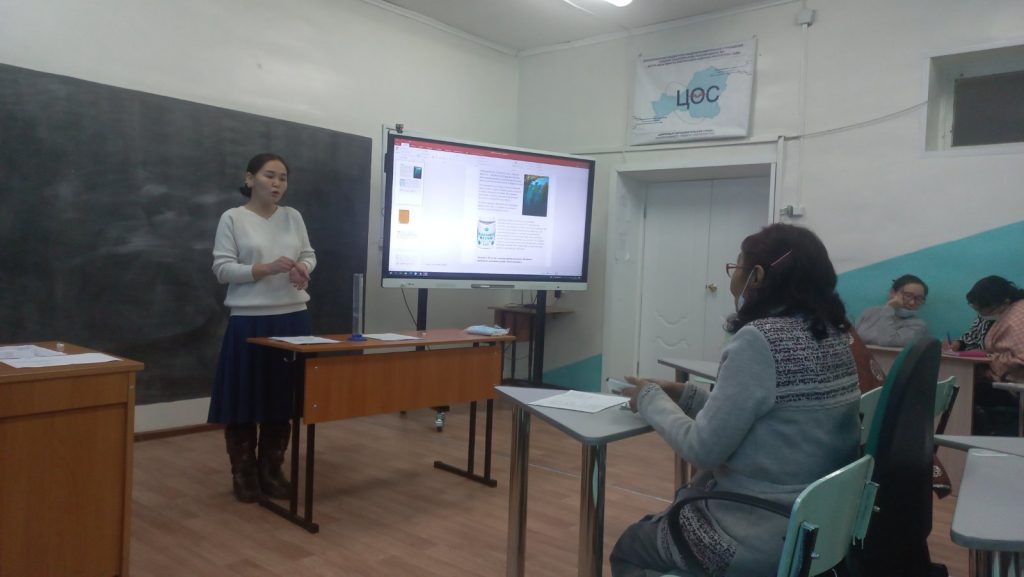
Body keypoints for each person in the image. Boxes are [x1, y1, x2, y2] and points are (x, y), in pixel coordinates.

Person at [610, 224, 860, 577]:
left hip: (753, 532)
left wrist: (649, 398)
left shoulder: (760, 340)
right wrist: (682, 393)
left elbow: (702, 449)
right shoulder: (833, 334)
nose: (732, 280)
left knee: (631, 546)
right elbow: (763, 415)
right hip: (818, 526)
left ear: (756, 276)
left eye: (736, 268)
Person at [208, 153, 316, 503]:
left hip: (292, 318)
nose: (277, 183)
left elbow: (309, 253)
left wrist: (303, 267)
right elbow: (223, 269)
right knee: (244, 397)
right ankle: (244, 473)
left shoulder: (293, 216)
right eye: (270, 175)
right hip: (249, 320)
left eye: (283, 177)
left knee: (282, 398)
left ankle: (272, 471)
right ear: (249, 178)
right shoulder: (233, 218)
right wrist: (265, 269)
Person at [946, 275, 1017, 353]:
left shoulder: (1015, 320)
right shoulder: (984, 317)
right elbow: (971, 336)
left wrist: (986, 353)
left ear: (1004, 304)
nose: (980, 314)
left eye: (981, 309)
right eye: (976, 309)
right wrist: (960, 344)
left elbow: (1014, 353)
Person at [854, 274, 929, 347]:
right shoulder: (871, 312)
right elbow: (851, 338)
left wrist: (890, 308)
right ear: (892, 293)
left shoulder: (918, 325)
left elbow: (886, 341)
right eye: (908, 296)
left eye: (919, 299)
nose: (912, 303)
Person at [981, 277, 1024, 382]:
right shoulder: (1014, 309)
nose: (981, 314)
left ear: (1005, 303)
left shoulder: (1016, 317)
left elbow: (1021, 357)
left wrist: (997, 367)